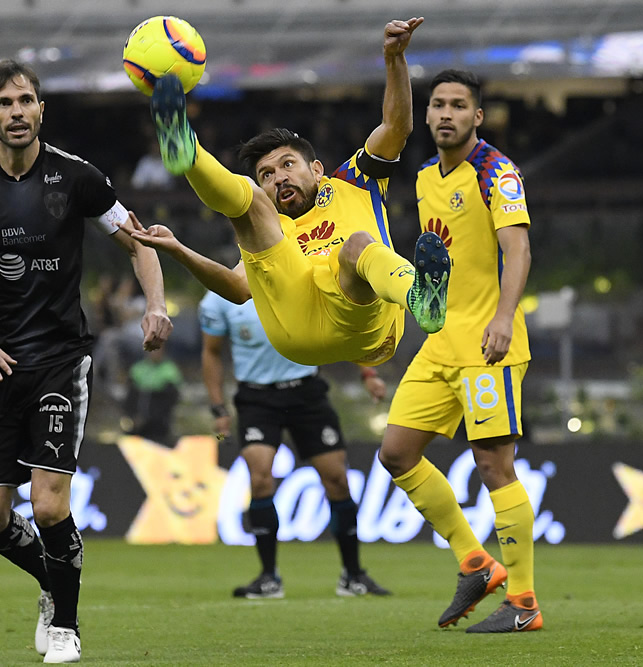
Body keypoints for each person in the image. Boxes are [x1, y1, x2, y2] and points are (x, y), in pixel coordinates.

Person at [0, 59, 173, 663]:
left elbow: (140, 243)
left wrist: (156, 305)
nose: (17, 112)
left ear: (42, 109)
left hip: (62, 361)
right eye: (5, 103)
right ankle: (52, 580)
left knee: (47, 505)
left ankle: (64, 624)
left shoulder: (78, 178)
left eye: (27, 101)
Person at [128, 17, 453, 372]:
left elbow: (396, 127)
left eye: (287, 165)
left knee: (358, 246)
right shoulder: (271, 224)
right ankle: (187, 151)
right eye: (266, 174)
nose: (278, 178)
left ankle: (420, 298)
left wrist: (394, 59)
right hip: (296, 331)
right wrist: (178, 250)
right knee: (249, 202)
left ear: (316, 169)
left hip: (362, 322)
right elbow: (238, 288)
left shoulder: (354, 181)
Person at [378, 69, 540, 633]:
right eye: (438, 105)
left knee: (494, 466)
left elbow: (517, 251)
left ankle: (523, 602)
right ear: (426, 116)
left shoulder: (498, 172)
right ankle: (475, 562)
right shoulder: (424, 177)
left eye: (459, 106)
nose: (446, 114)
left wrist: (502, 317)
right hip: (439, 344)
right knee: (396, 454)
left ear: (478, 117)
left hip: (487, 347)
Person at [200, 290, 391, 599]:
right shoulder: (218, 298)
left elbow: (345, 325)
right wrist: (218, 408)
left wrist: (368, 373)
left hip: (306, 394)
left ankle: (353, 575)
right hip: (256, 398)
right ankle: (268, 578)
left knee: (337, 480)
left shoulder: (300, 278)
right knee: (260, 478)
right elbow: (211, 352)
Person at [122, 344, 183, 443]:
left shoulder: (170, 370)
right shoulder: (138, 369)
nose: (154, 352)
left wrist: (149, 418)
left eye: (158, 349)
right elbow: (130, 397)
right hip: (137, 423)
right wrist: (133, 416)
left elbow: (169, 400)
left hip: (159, 424)